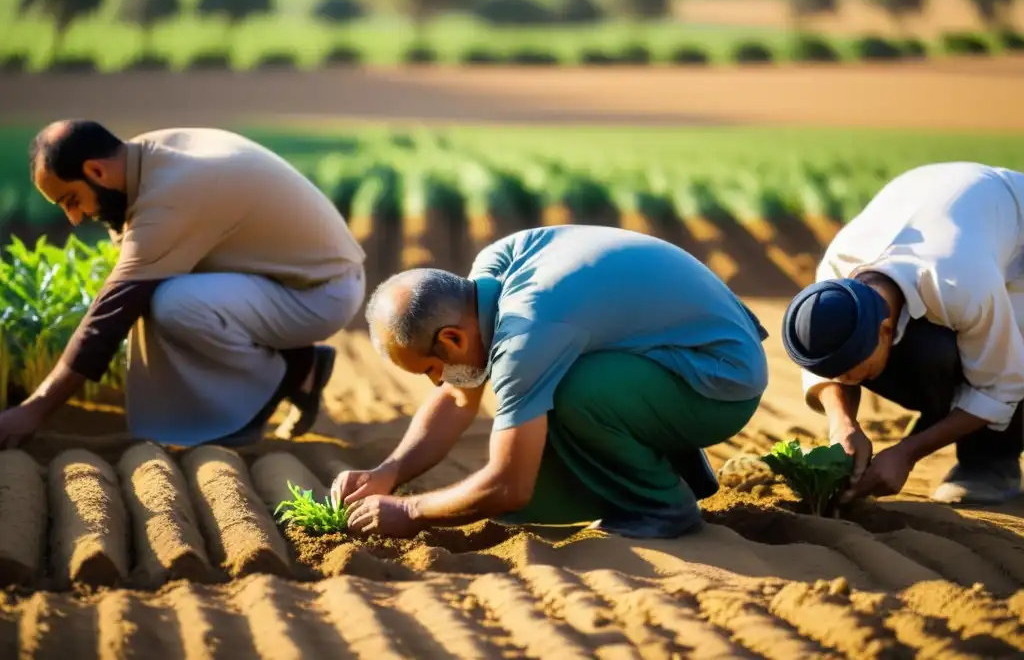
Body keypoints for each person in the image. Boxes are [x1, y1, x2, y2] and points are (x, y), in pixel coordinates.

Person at [330, 225, 770, 539]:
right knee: (560, 381)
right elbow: (458, 398)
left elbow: (508, 485)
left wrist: (410, 510)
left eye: (431, 369)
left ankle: (660, 508)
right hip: (690, 348)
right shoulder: (492, 270)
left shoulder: (526, 336)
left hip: (723, 381)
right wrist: (387, 472)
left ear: (452, 338)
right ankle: (670, 471)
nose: (437, 382)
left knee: (570, 391)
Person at [0, 120, 366, 449]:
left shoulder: (175, 189)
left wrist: (36, 409)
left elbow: (112, 312)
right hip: (283, 280)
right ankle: (300, 366)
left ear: (96, 170)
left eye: (71, 200)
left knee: (174, 303)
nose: (75, 218)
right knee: (164, 292)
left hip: (320, 293)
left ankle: (275, 384)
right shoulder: (145, 159)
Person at [781, 161, 1024, 506]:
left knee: (1008, 349)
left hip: (1014, 221)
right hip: (933, 198)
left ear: (885, 329)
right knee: (927, 355)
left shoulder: (963, 283)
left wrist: (907, 453)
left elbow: (1002, 385)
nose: (846, 379)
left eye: (851, 370)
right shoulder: (833, 283)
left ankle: (991, 462)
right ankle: (947, 410)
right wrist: (842, 425)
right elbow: (824, 362)